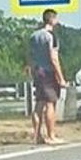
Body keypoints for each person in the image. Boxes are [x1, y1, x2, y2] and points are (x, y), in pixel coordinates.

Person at [29, 8, 67, 145]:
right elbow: (54, 58)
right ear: (52, 19)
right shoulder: (51, 36)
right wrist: (61, 77)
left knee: (39, 104)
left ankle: (37, 135)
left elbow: (31, 56)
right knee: (51, 103)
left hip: (37, 71)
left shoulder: (33, 36)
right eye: (56, 18)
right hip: (48, 72)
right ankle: (51, 135)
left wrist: (32, 70)